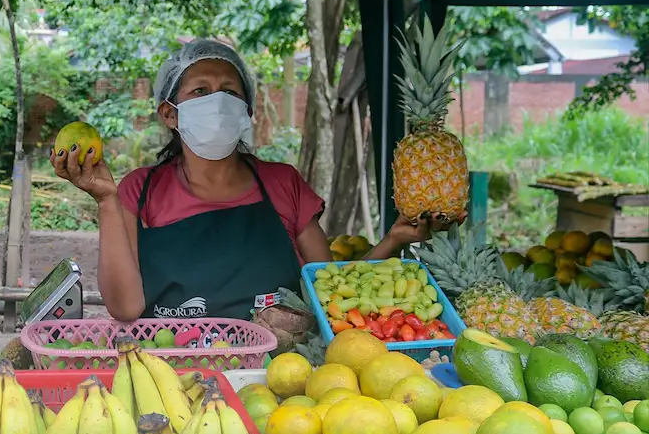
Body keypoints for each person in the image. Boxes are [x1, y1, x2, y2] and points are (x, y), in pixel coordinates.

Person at [53, 39, 450, 322]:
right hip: (173, 374)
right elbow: (125, 309)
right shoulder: (139, 190)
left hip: (280, 375)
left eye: (229, 91)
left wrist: (393, 240)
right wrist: (106, 201)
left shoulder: (283, 183)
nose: (218, 100)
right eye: (201, 91)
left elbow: (330, 291)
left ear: (247, 110)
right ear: (169, 114)